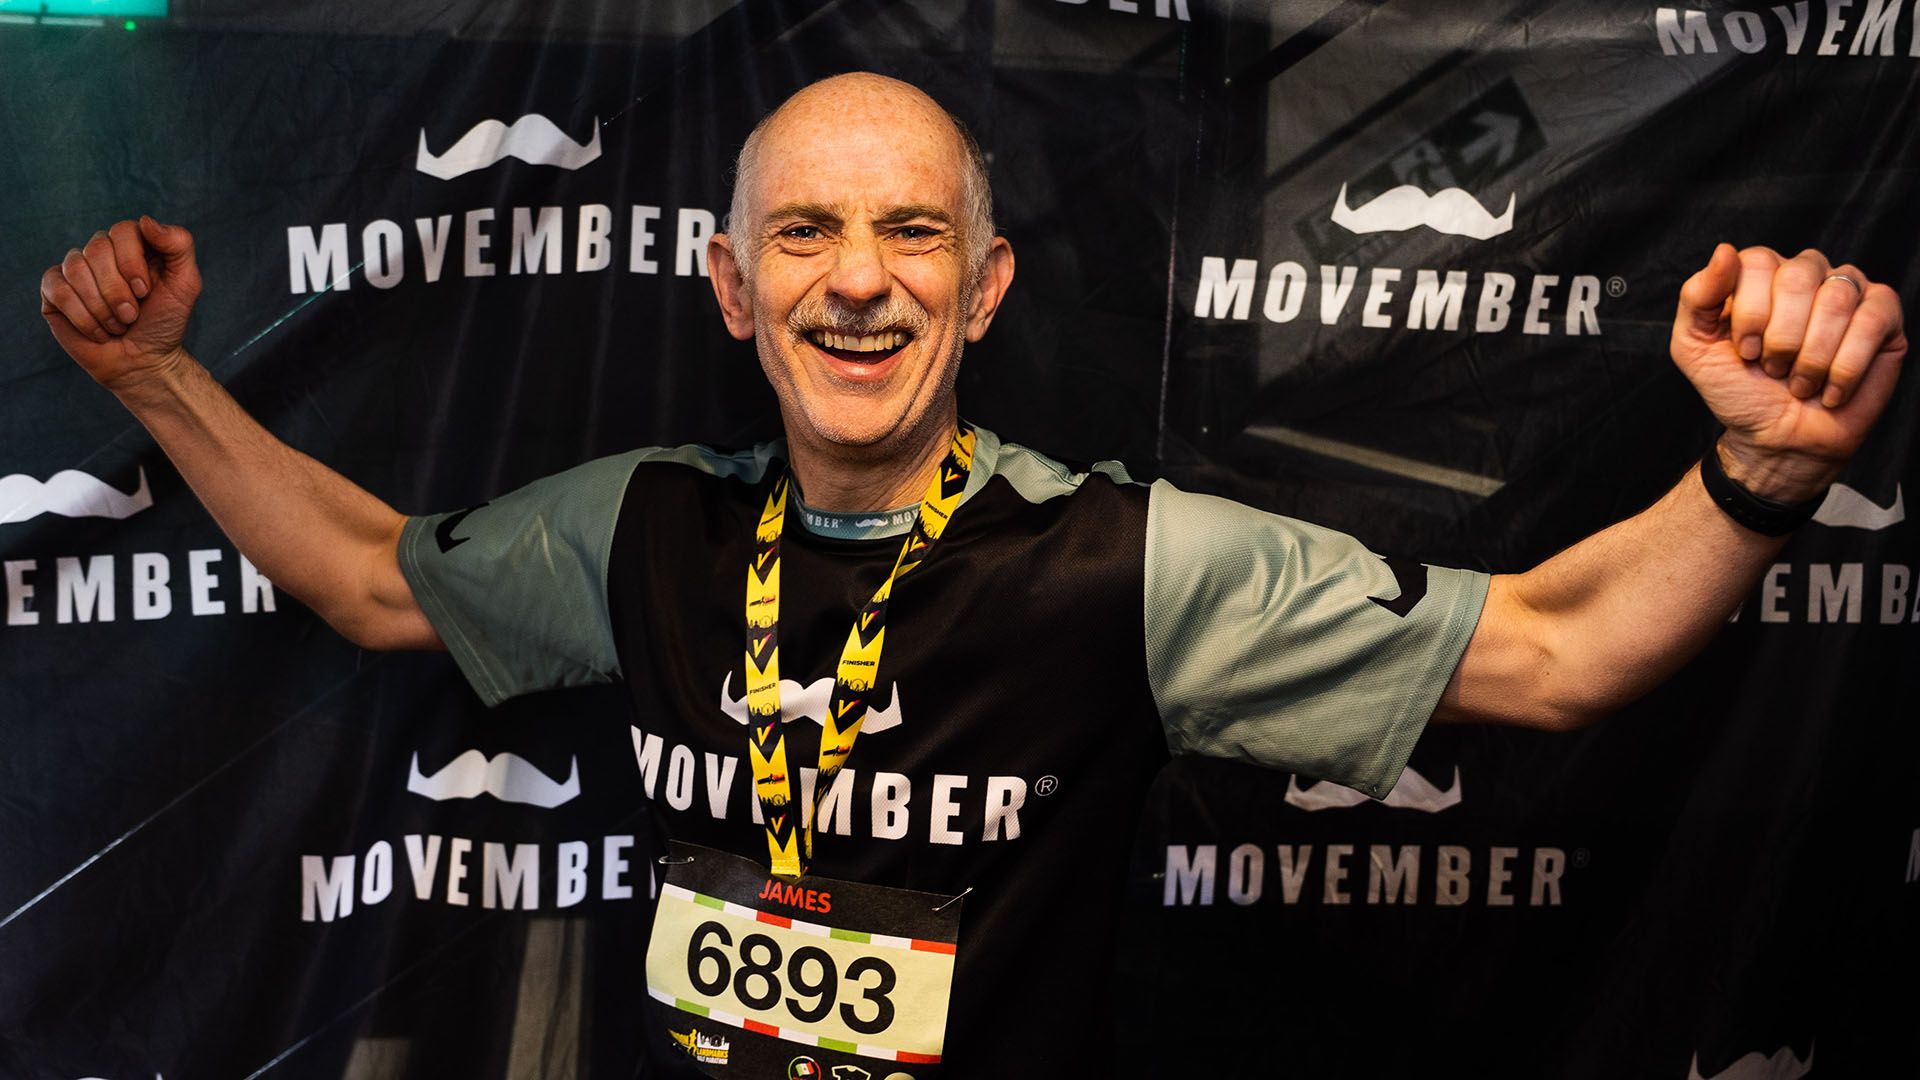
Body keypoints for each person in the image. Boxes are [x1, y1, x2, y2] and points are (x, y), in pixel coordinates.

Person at [37, 72, 1906, 1077]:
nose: (861, 276)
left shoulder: (1123, 563)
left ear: (987, 287)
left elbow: (1564, 651)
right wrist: (149, 381)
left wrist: (1757, 476)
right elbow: (371, 577)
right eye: (809, 232)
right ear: (735, 288)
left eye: (913, 230)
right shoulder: (640, 528)